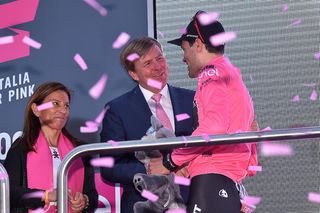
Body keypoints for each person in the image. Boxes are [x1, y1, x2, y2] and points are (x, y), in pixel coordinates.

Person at [149, 11, 258, 213]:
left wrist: (170, 161)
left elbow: (215, 127)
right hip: (228, 181)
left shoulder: (212, 72)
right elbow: (252, 126)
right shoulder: (231, 74)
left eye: (184, 49)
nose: (184, 58)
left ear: (197, 44)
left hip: (213, 180)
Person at [100, 37, 195, 213]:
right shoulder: (118, 110)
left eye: (160, 58)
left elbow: (209, 149)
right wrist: (150, 169)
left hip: (193, 201)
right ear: (133, 74)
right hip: (144, 206)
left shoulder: (193, 100)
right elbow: (109, 167)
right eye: (148, 63)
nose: (158, 67)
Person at [4, 82, 98, 213]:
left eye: (66, 106)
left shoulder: (80, 151)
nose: (63, 110)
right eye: (55, 103)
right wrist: (45, 196)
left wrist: (85, 200)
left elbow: (92, 195)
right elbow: (8, 191)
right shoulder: (21, 148)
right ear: (36, 109)